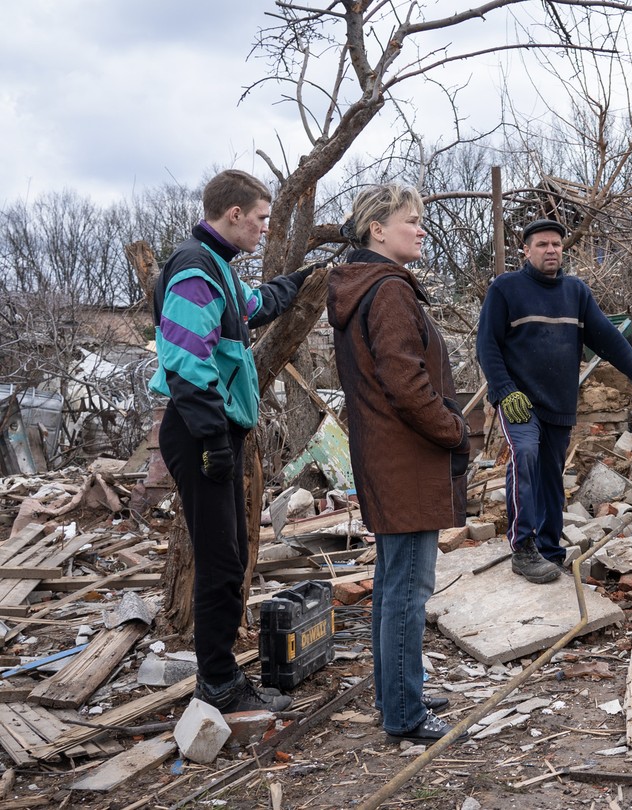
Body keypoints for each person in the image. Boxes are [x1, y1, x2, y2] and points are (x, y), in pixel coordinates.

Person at [150, 169, 313, 713]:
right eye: (262, 219)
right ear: (235, 214)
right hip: (200, 430)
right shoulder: (194, 271)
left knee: (232, 554)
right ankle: (218, 683)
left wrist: (303, 281)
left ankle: (219, 676)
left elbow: (255, 304)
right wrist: (213, 439)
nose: (266, 229)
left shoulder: (216, 267)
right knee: (221, 561)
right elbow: (184, 362)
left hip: (213, 429)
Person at [327, 183, 469, 744]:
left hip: (388, 459)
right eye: (411, 220)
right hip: (405, 461)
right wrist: (455, 430)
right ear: (376, 230)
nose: (421, 228)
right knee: (407, 591)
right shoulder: (387, 291)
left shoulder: (370, 288)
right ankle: (405, 714)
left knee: (392, 587)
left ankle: (397, 695)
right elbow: (406, 385)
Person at [476, 218, 632, 585]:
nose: (551, 250)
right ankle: (524, 547)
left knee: (552, 475)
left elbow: (609, 340)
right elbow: (486, 344)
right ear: (526, 250)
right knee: (526, 456)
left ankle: (550, 550)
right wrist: (503, 389)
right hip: (519, 402)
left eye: (556, 245)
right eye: (542, 245)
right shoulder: (506, 289)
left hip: (559, 400)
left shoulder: (575, 292)